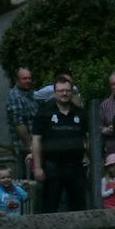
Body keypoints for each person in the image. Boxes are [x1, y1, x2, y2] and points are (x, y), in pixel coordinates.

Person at [31, 75, 89, 213]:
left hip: (76, 168)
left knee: (80, 208)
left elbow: (86, 138)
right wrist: (38, 167)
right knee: (49, 208)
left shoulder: (80, 113)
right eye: (61, 90)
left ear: (71, 92)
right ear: (54, 92)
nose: (64, 93)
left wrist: (86, 156)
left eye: (67, 90)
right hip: (52, 168)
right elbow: (36, 140)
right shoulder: (43, 113)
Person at [6, 67, 38, 177]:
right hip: (24, 148)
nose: (28, 81)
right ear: (17, 80)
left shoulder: (29, 94)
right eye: (24, 78)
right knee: (26, 180)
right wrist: (31, 145)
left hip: (34, 146)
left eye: (29, 78)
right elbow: (18, 123)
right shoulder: (15, 96)